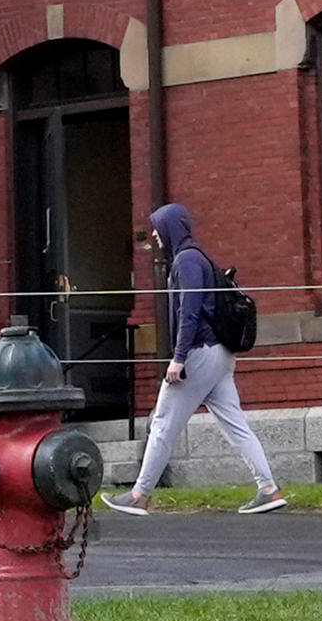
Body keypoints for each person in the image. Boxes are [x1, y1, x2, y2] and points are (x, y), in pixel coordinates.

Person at [105, 200, 286, 514]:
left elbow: (189, 311)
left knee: (162, 424)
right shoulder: (200, 257)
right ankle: (268, 489)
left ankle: (139, 494)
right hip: (221, 355)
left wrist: (178, 357)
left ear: (170, 228)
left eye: (158, 229)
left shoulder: (186, 261)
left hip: (199, 354)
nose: (155, 236)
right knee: (236, 426)